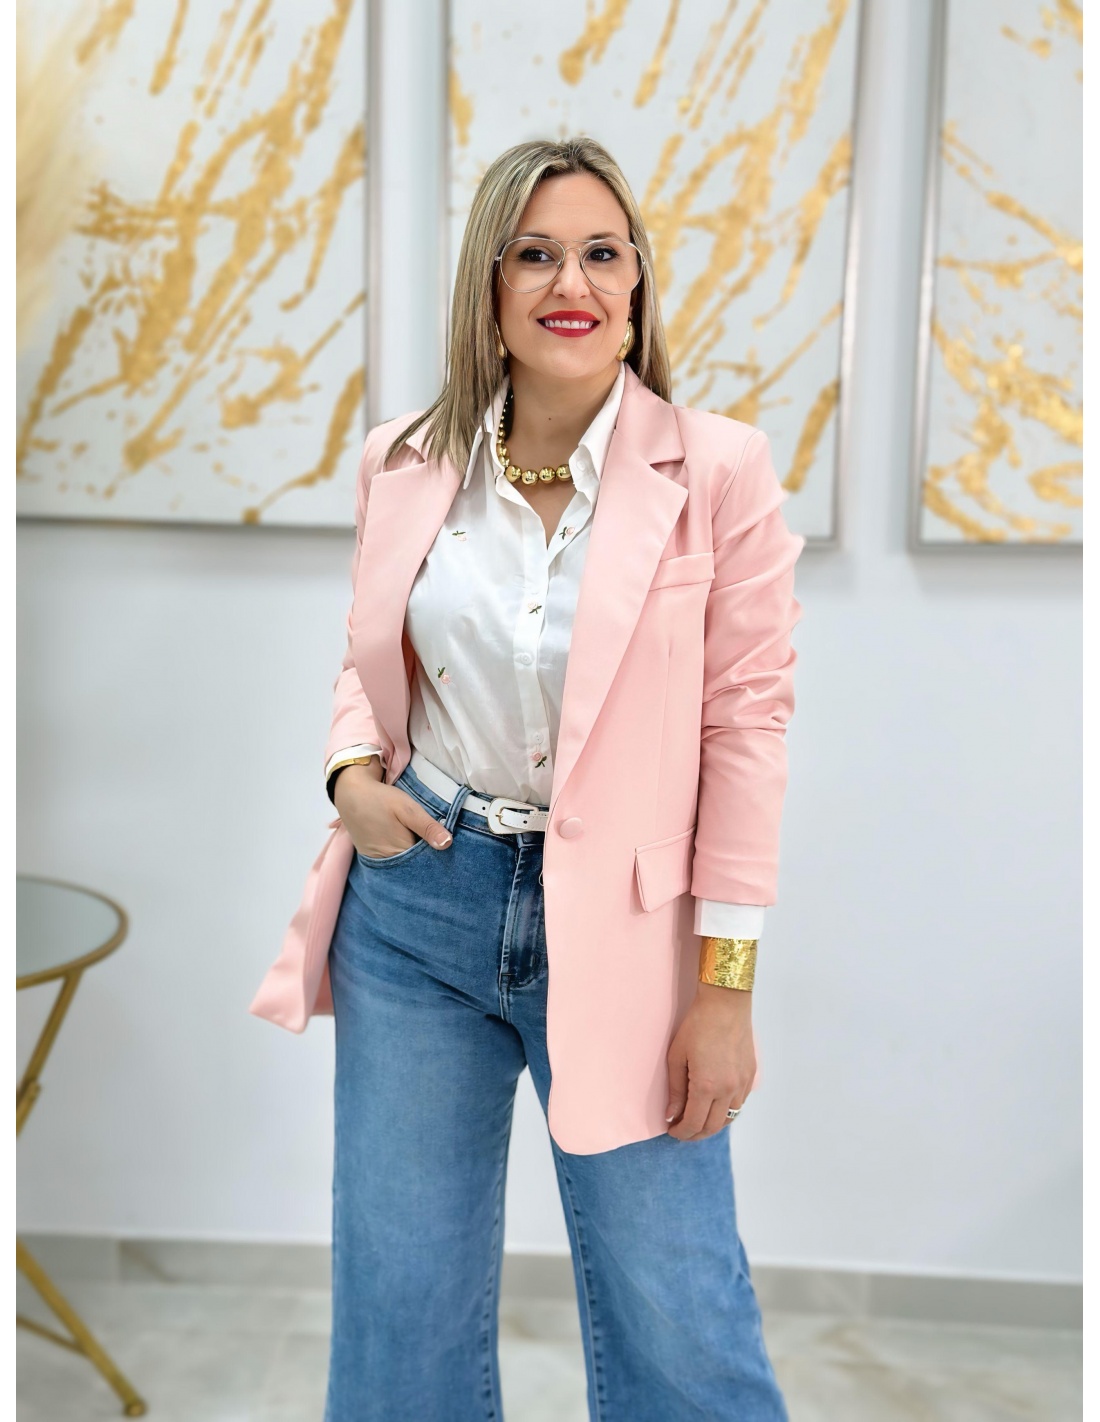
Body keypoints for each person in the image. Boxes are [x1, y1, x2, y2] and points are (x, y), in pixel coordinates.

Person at [251, 135, 802, 1421]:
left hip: (626, 931)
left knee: (679, 1313)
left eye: (602, 252)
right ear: (489, 284)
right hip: (419, 906)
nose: (573, 281)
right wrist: (348, 772)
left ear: (637, 281)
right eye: (536, 253)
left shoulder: (716, 469)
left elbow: (746, 732)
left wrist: (724, 989)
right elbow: (370, 655)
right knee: (401, 1306)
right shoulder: (401, 458)